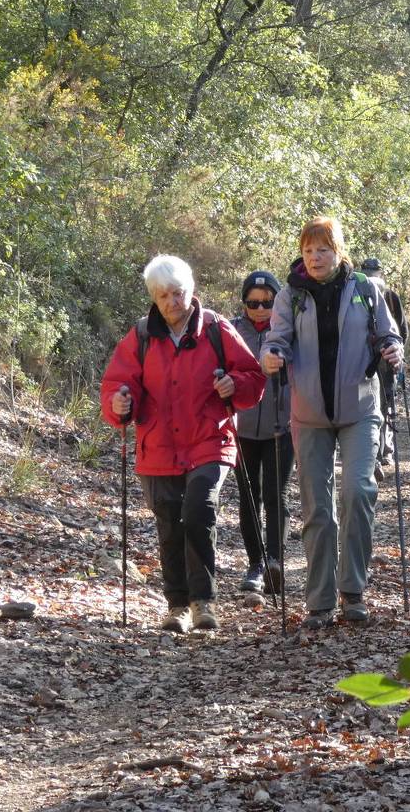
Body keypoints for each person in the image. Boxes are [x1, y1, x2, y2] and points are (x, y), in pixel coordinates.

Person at [101, 255, 266, 633]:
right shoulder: (141, 336)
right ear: (154, 299)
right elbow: (117, 383)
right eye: (164, 296)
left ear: (191, 292)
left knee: (197, 512)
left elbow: (252, 377)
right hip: (158, 447)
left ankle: (203, 601)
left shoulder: (216, 330)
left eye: (179, 293)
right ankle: (176, 605)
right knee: (168, 524)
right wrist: (120, 403)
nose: (174, 302)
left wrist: (233, 386)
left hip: (209, 440)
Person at [261, 217, 404, 629]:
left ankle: (353, 590)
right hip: (308, 414)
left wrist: (393, 350)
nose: (315, 257)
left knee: (358, 492)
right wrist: (270, 354)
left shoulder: (365, 289)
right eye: (308, 250)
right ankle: (320, 600)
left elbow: (388, 335)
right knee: (317, 507)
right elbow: (277, 337)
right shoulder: (290, 295)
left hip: (359, 407)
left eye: (323, 249)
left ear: (338, 251)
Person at [232, 270, 293, 595]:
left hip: (282, 427)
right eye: (252, 303)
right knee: (248, 497)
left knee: (275, 494)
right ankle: (255, 564)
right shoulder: (231, 330)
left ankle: (274, 561)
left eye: (267, 302)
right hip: (241, 428)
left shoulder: (287, 330)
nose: (259, 309)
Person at [358, 257, 409, 479]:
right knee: (370, 406)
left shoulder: (390, 297)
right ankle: (375, 457)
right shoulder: (355, 293)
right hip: (362, 362)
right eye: (368, 271)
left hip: (386, 361)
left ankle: (379, 453)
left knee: (383, 404)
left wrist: (396, 352)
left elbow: (401, 331)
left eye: (374, 271)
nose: (371, 275)